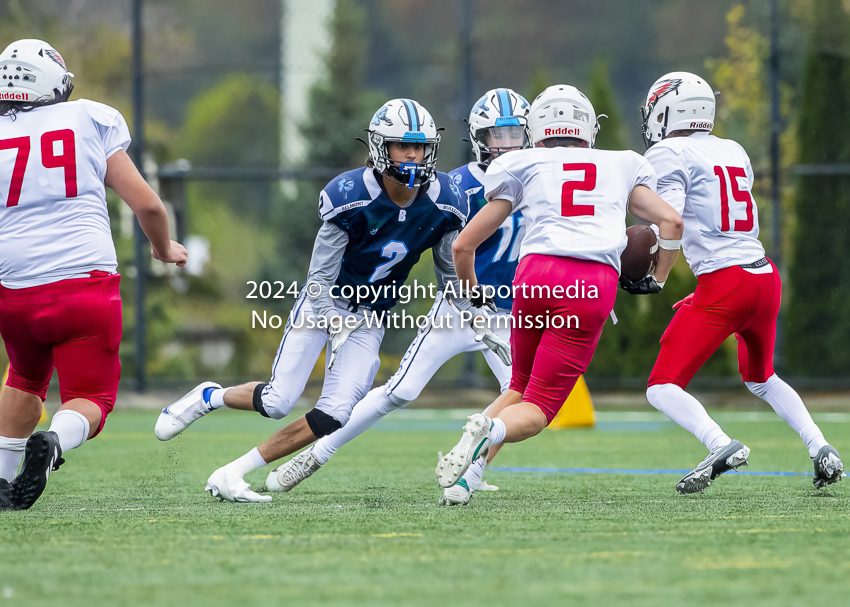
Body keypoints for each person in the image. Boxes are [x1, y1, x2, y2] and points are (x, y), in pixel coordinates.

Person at [155, 99, 501, 503]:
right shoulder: (351, 194)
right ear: (379, 148)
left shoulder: (445, 199)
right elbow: (318, 277)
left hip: (371, 315)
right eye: (402, 146)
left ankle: (233, 472)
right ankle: (208, 396)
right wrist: (333, 323)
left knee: (334, 414)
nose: (413, 155)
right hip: (326, 303)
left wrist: (475, 316)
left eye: (421, 147)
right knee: (277, 401)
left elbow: (448, 276)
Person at [260, 88, 531, 506]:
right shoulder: (455, 184)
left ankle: (469, 474)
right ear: (479, 137)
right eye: (499, 135)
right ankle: (317, 452)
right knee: (401, 391)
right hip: (462, 306)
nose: (509, 145)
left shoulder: (540, 179)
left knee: (518, 391)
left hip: (507, 310)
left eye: (517, 134)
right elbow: (437, 245)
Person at [435, 84, 684, 489]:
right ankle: (489, 430)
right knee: (540, 409)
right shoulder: (621, 163)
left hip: (533, 276)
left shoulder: (525, 164)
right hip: (589, 284)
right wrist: (657, 278)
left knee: (519, 385)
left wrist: (471, 290)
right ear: (589, 128)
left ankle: (465, 478)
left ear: (536, 128)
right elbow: (672, 222)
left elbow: (464, 245)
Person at [0, 39, 187, 511]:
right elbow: (146, 203)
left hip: (14, 291)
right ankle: (55, 442)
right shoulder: (88, 117)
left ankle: (1, 482)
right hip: (84, 284)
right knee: (91, 397)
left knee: (23, 378)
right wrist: (163, 249)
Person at [638, 72, 844, 494]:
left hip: (726, 283)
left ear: (664, 110)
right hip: (762, 276)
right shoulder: (732, 148)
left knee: (661, 386)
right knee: (761, 376)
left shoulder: (667, 151)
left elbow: (670, 223)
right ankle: (821, 447)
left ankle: (719, 444)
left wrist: (654, 272)